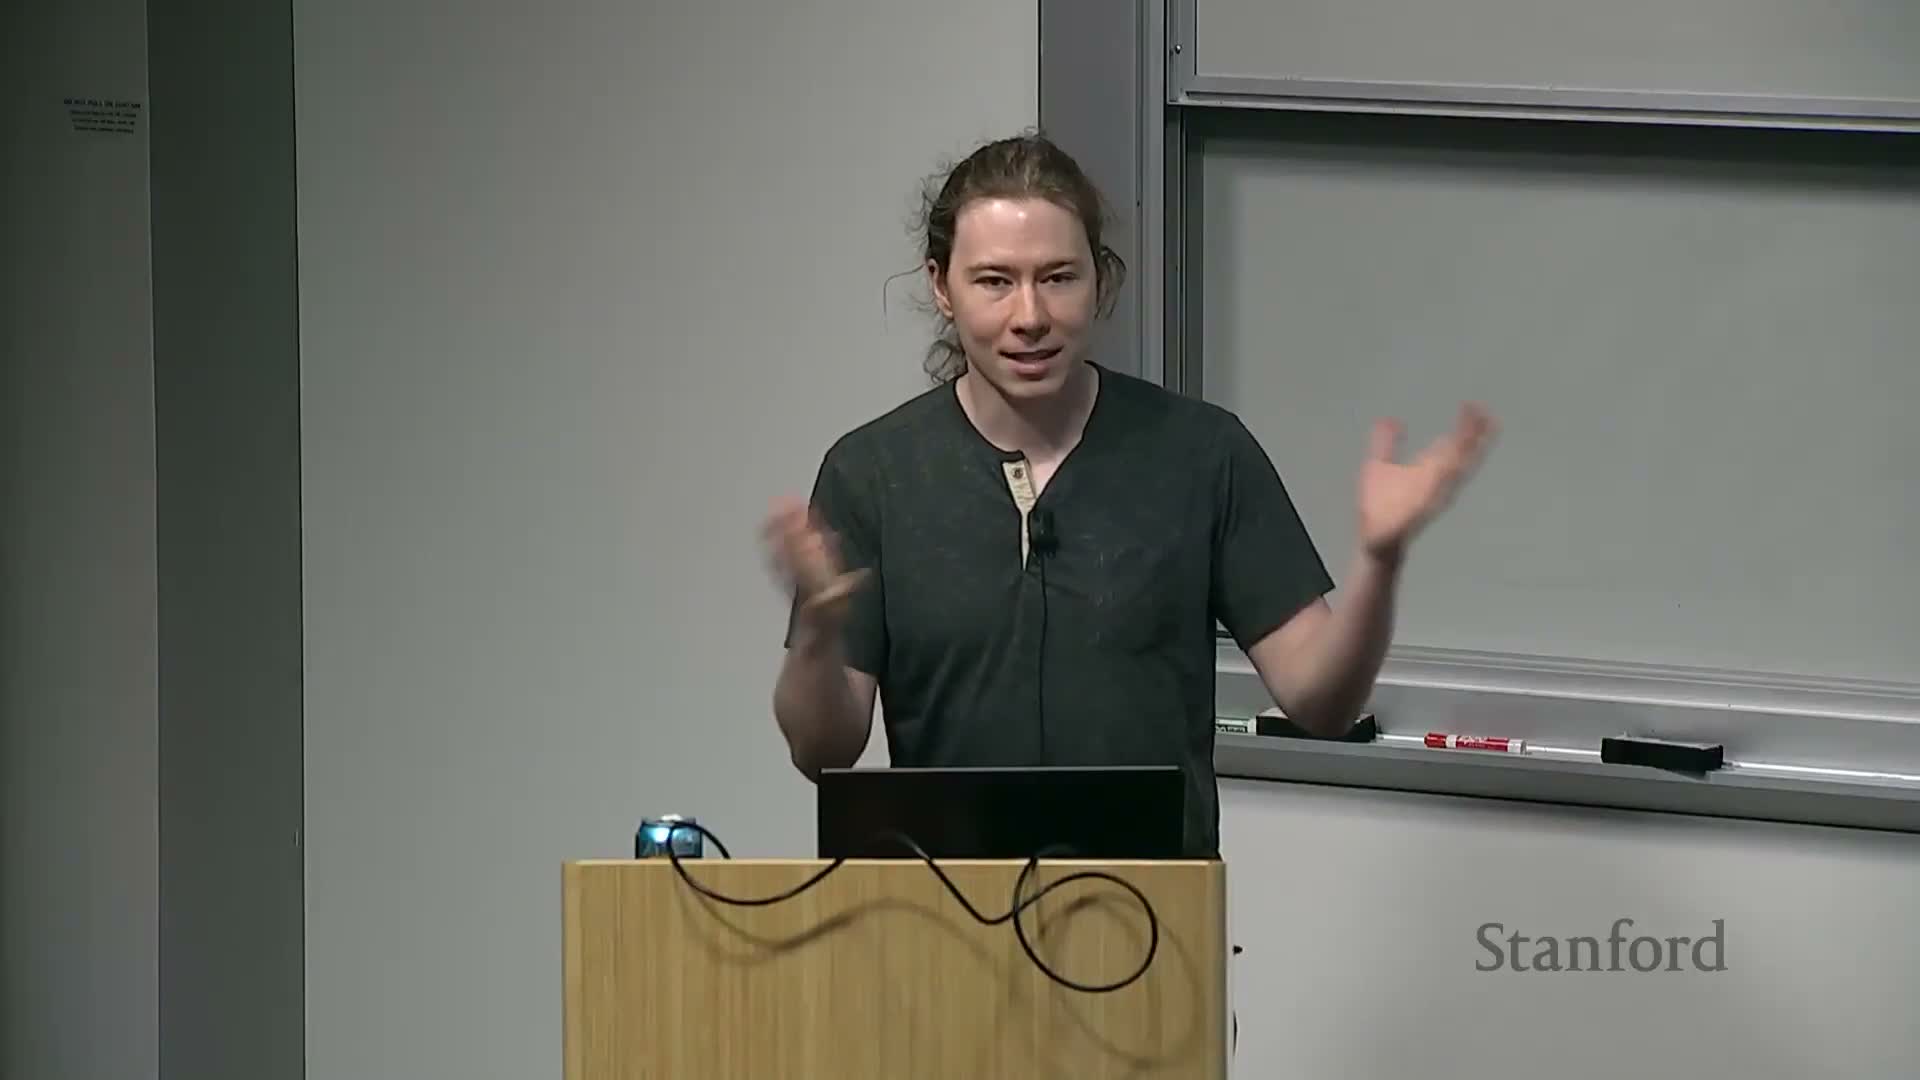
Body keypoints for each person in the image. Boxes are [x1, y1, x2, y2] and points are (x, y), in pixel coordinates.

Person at [763, 131, 1495, 857]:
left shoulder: (1202, 454)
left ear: (1100, 282)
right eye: (994, 281)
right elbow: (822, 751)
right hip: (943, 909)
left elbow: (1322, 702)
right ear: (940, 287)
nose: (1030, 316)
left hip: (1151, 909)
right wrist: (821, 635)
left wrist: (1380, 562)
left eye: (1058, 278)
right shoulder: (874, 474)